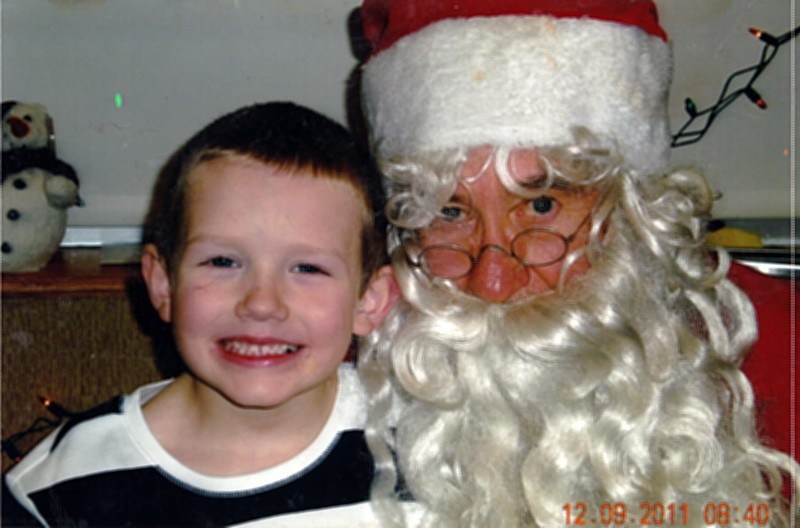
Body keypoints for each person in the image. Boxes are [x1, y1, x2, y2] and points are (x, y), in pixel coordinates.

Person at [354, 1, 799, 526]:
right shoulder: (353, 352)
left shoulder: (779, 345)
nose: (493, 282)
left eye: (541, 206)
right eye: (450, 212)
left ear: (630, 208)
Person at [3, 102, 397, 527]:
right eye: (223, 262)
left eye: (308, 268)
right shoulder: (56, 489)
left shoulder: (430, 449)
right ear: (162, 285)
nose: (261, 303)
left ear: (369, 300)